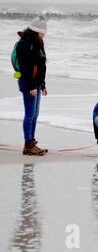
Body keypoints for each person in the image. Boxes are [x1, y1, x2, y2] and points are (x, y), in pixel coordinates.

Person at [16, 16, 49, 156]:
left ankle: (32, 141)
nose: (43, 36)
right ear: (36, 32)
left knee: (35, 114)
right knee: (30, 114)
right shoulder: (25, 44)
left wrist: (42, 84)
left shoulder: (36, 43)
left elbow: (40, 66)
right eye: (42, 33)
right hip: (28, 83)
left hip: (36, 83)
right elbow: (26, 68)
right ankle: (27, 145)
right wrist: (31, 86)